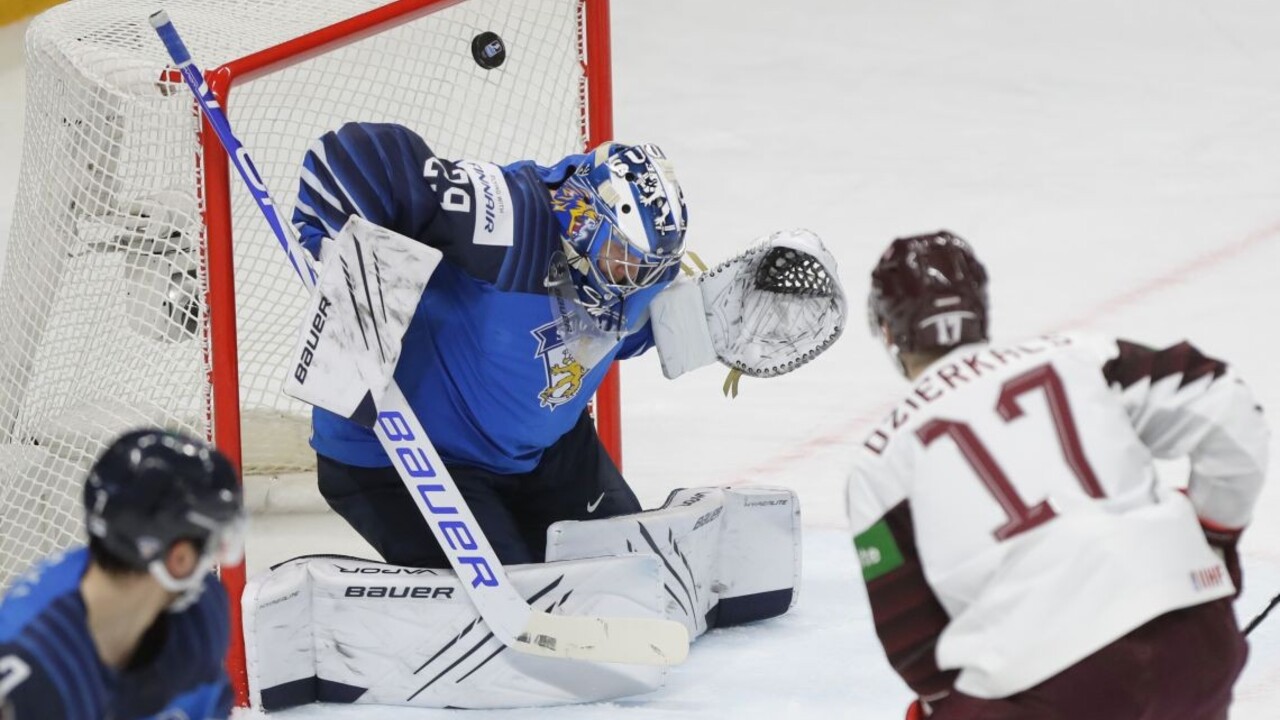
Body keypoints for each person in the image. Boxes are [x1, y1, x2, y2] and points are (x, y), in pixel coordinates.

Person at [848, 231, 1267, 720]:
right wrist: (1214, 532)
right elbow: (1224, 403)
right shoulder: (1078, 355)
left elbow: (910, 636)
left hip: (1057, 688)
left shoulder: (880, 461)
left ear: (890, 333)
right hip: (1195, 644)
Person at [291, 124, 687, 568]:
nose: (632, 279)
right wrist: (347, 260)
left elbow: (630, 333)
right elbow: (355, 157)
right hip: (406, 456)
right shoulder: (511, 219)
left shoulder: (625, 281)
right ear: (585, 218)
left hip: (544, 457)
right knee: (521, 592)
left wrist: (721, 321)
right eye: (624, 256)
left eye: (647, 268)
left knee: (630, 573)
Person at [0, 429, 246, 719]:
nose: (213, 561)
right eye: (213, 544)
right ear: (179, 558)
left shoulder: (202, 614)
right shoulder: (30, 667)